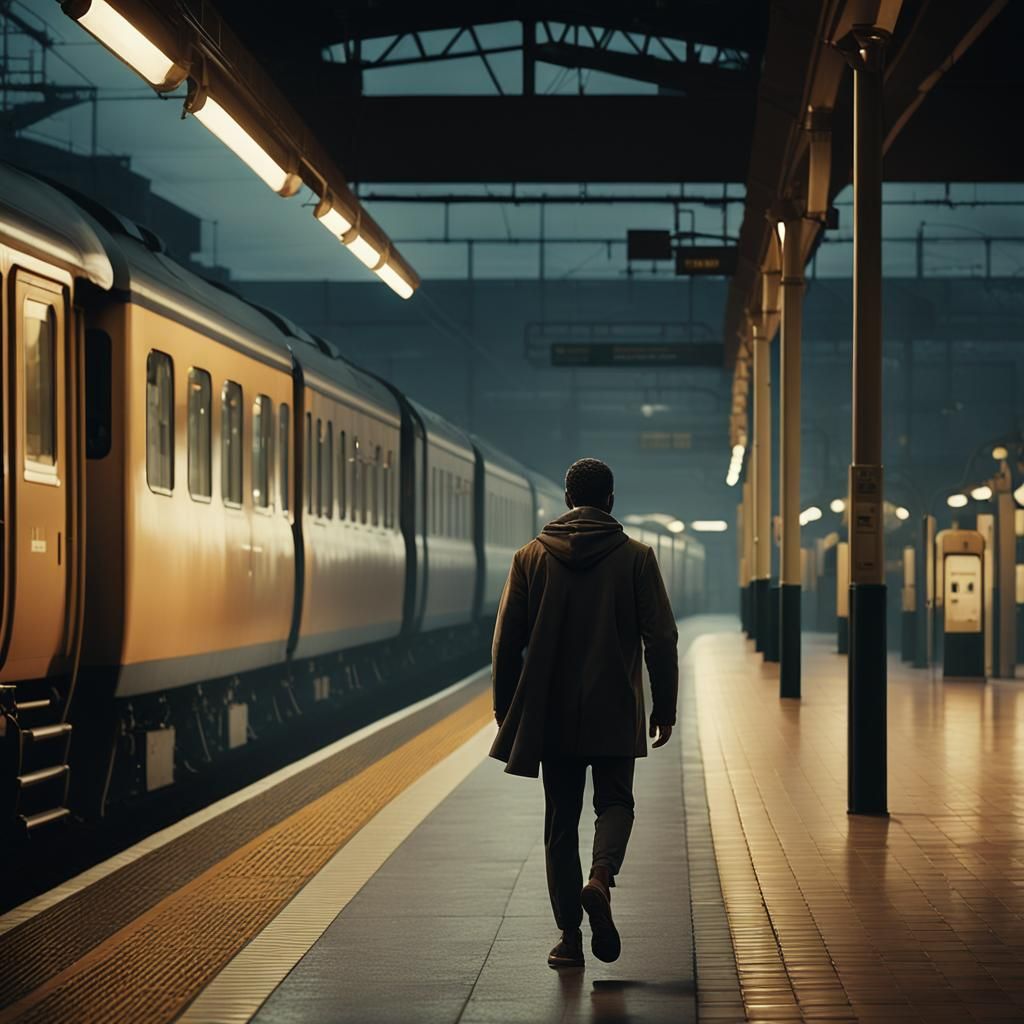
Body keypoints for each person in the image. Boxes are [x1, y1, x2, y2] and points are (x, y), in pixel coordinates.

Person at [489, 457, 678, 969]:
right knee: (616, 803)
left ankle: (569, 938)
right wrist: (665, 706)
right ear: (611, 499)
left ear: (568, 500)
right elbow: (661, 636)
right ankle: (600, 878)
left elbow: (507, 643)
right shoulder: (637, 557)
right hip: (615, 705)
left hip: (552, 713)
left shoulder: (530, 557)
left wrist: (506, 708)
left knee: (560, 821)